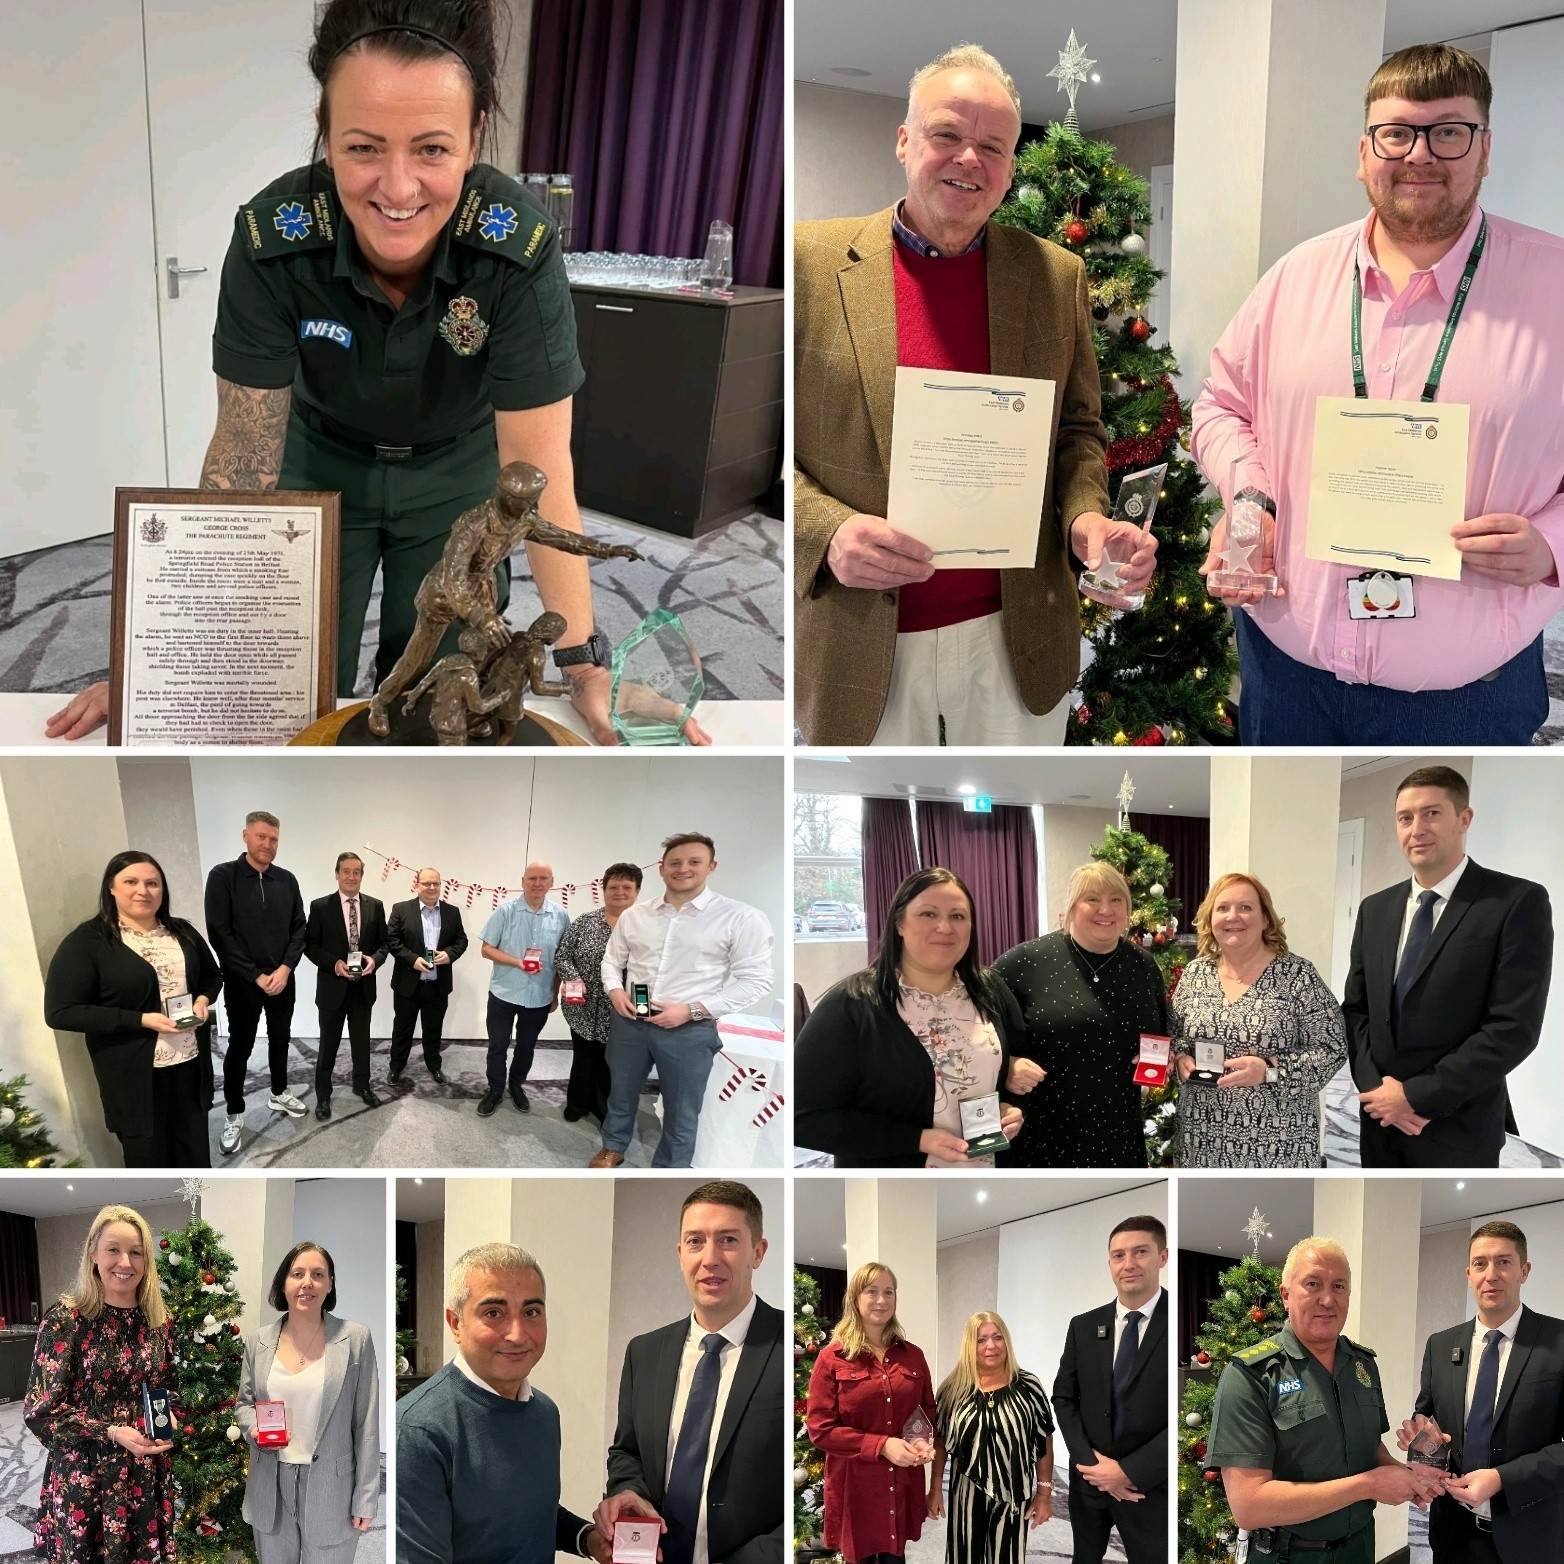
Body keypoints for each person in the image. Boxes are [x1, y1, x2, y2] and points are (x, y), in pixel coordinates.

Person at [43, 0, 706, 748]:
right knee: (282, 682)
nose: (397, 189)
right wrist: (163, 666)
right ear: (325, 134)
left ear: (475, 135)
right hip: (318, 462)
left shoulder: (515, 246)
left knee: (444, 696)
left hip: (457, 472)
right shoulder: (275, 240)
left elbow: (538, 465)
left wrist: (584, 667)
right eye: (363, 148)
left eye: (431, 149)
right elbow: (242, 461)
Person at [1189, 43, 1564, 746]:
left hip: (1467, 700)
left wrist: (1554, 543)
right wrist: (1251, 499)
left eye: (1449, 131)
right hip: (1286, 677)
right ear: (1364, 152)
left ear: (1485, 150)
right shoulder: (1293, 279)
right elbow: (1219, 405)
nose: (1420, 154)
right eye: (1397, 132)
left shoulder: (1556, 288)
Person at [792, 43, 1153, 747]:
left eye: (993, 145)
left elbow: (1079, 430)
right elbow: (760, 457)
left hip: (1016, 641)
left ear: (1012, 164)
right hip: (861, 636)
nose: (969, 160)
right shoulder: (809, 262)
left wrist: (1085, 521)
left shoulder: (1057, 276)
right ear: (904, 141)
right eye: (947, 135)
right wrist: (823, 529)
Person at [1343, 765, 1552, 1167]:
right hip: (1380, 1122)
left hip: (1457, 1124)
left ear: (1464, 819)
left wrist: (1414, 1097)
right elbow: (1356, 1010)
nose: (1416, 828)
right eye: (1405, 818)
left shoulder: (1514, 902)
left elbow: (1513, 1028)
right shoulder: (1376, 909)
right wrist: (1381, 1094)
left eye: (1432, 813)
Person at [1208, 1237, 1441, 1564]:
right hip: (1289, 1555)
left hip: (1359, 1549)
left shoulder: (1362, 1364)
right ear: (1286, 1295)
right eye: (1313, 1284)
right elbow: (1250, 1506)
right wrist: (1369, 1486)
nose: (1328, 1299)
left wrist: (1405, 1475)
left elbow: (1369, 1447)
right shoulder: (1251, 1377)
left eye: (1339, 1286)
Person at [591, 1181, 783, 1564]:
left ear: (758, 1252)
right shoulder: (644, 1352)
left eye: (728, 1239)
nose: (710, 1258)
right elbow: (627, 1451)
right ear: (681, 1254)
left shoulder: (791, 1349)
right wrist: (628, 1491)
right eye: (695, 1241)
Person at [794, 867, 1033, 1168]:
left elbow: (1022, 1068)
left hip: (986, 1175)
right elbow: (804, 1118)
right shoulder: (850, 1006)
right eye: (928, 914)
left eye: (958, 916)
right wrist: (917, 1138)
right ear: (899, 924)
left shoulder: (991, 991)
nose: (945, 927)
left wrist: (1014, 1107)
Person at [396, 1242, 609, 1564]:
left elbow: (529, 1516)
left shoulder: (544, 1413)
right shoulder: (419, 1431)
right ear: (456, 1323)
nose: (517, 1333)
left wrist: (589, 1539)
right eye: (493, 1313)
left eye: (531, 1312)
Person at [589, 833, 773, 1169]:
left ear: (711, 867)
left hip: (689, 1028)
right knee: (621, 1091)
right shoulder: (635, 915)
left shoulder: (740, 918)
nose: (683, 869)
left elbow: (756, 981)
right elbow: (611, 961)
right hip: (632, 1018)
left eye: (694, 862)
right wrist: (615, 990)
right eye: (675, 862)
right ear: (661, 868)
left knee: (682, 1106)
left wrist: (690, 1010)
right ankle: (613, 1146)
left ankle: (670, 1168)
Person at [1397, 1221, 1564, 1564]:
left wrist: (1502, 1479)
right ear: (1468, 1273)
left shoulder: (1559, 1342)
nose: (1491, 1274)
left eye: (1504, 1262)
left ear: (1524, 1271)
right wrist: (1420, 1435)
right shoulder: (1441, 1344)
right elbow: (1427, 1413)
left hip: (1530, 1536)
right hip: (1451, 1533)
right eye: (1480, 1264)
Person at [43, 852, 222, 1168]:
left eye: (153, 883)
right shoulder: (88, 941)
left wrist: (203, 1000)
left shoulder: (182, 931)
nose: (144, 890)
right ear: (111, 887)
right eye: (131, 881)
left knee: (193, 1152)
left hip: (190, 1062)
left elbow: (212, 975)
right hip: (133, 1074)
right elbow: (60, 1011)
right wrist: (139, 1019)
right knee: (148, 1158)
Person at [23, 1204, 176, 1564]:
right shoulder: (66, 1320)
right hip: (86, 1472)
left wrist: (165, 1425)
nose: (125, 1262)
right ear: (93, 1253)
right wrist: (110, 1430)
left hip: (144, 1472)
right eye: (113, 1249)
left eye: (136, 1252)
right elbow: (40, 1412)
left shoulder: (158, 1321)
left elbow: (167, 1390)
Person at [991, 863, 1170, 1168]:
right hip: (1042, 1130)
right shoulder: (1023, 963)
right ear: (1072, 907)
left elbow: (1160, 1034)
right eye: (1092, 899)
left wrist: (1158, 1059)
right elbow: (978, 1037)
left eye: (1116, 899)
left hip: (1118, 1131)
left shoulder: (1143, 966)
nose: (1106, 909)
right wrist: (1007, 1064)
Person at [1172, 873, 1347, 1168]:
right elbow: (1176, 1035)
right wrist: (1179, 1058)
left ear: (1266, 919)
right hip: (1200, 1137)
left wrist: (1269, 1069)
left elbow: (1333, 1048)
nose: (1233, 916)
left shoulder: (1297, 976)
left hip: (1277, 1143)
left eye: (1246, 908)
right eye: (1222, 908)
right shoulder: (1194, 974)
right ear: (1210, 918)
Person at [236, 1241, 380, 1564]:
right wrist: (254, 1428)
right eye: (297, 1273)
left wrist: (367, 1498)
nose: (307, 1283)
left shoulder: (356, 1339)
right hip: (270, 1484)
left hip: (332, 1486)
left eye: (318, 1274)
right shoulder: (258, 1342)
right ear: (283, 1284)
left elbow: (366, 1421)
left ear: (329, 1284)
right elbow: (244, 1404)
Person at [1052, 1216, 1169, 1564]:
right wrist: (1091, 1465)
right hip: (1089, 1481)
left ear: (1162, 1256)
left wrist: (1128, 1472)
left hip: (1149, 1485)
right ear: (1109, 1263)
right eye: (1118, 1255)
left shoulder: (1181, 1321)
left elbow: (1186, 1415)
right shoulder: (1084, 1326)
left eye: (1141, 1252)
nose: (1128, 1264)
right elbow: (1064, 1397)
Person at [805, 1262, 937, 1564]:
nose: (881, 1300)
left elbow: (927, 1410)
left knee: (895, 1556)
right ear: (855, 1298)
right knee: (860, 1556)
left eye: (888, 1292)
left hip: (902, 1479)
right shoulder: (832, 1358)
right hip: (856, 1486)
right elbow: (820, 1429)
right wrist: (881, 1445)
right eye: (872, 1291)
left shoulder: (913, 1355)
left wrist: (921, 1440)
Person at [205, 810, 309, 1156]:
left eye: (274, 839)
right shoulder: (223, 877)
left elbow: (299, 929)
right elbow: (220, 933)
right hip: (242, 982)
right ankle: (234, 1111)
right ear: (246, 835)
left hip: (282, 979)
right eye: (262, 837)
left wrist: (285, 968)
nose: (268, 844)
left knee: (281, 1039)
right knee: (240, 1046)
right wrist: (254, 973)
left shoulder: (287, 880)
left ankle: (279, 1093)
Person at [928, 1313, 1053, 1564]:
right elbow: (940, 1442)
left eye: (998, 1337)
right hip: (966, 1492)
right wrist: (934, 1489)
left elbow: (1043, 1442)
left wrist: (1044, 1495)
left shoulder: (1029, 1387)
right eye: (981, 1339)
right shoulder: (953, 1389)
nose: (991, 1346)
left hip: (1014, 1492)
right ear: (969, 1346)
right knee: (963, 1558)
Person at [553, 861, 644, 1123]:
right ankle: (578, 1103)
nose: (619, 891)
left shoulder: (645, 927)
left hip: (622, 1009)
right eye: (613, 886)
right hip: (581, 1005)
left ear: (637, 891)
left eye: (627, 887)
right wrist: (573, 978)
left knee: (611, 1062)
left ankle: (604, 1107)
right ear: (604, 890)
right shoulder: (585, 922)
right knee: (583, 1057)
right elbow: (563, 956)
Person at [478, 861, 568, 1117]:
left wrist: (554, 992)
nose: (537, 883)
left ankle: (516, 1085)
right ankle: (495, 1089)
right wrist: (517, 962)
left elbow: (561, 959)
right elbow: (486, 949)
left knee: (527, 1046)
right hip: (504, 993)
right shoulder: (505, 912)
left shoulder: (560, 916)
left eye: (543, 878)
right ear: (522, 881)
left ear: (552, 882)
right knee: (497, 1045)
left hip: (539, 996)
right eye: (532, 878)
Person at [305, 851, 390, 1119]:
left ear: (362, 875)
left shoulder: (375, 905)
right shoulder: (320, 906)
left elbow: (385, 945)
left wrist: (374, 960)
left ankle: (362, 1086)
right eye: (346, 871)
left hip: (363, 988)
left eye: (357, 872)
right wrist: (334, 964)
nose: (351, 877)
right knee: (328, 1045)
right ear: (337, 873)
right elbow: (311, 946)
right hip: (332, 987)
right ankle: (323, 1095)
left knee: (361, 1042)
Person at [386, 868, 468, 1086]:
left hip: (437, 985)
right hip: (407, 983)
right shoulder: (401, 909)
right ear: (417, 885)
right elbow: (392, 941)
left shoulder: (452, 912)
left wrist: (449, 955)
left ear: (440, 886)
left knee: (433, 1029)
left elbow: (462, 941)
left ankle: (434, 1065)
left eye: (436, 884)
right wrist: (412, 959)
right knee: (402, 1028)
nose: (432, 888)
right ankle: (396, 1067)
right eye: (426, 884)